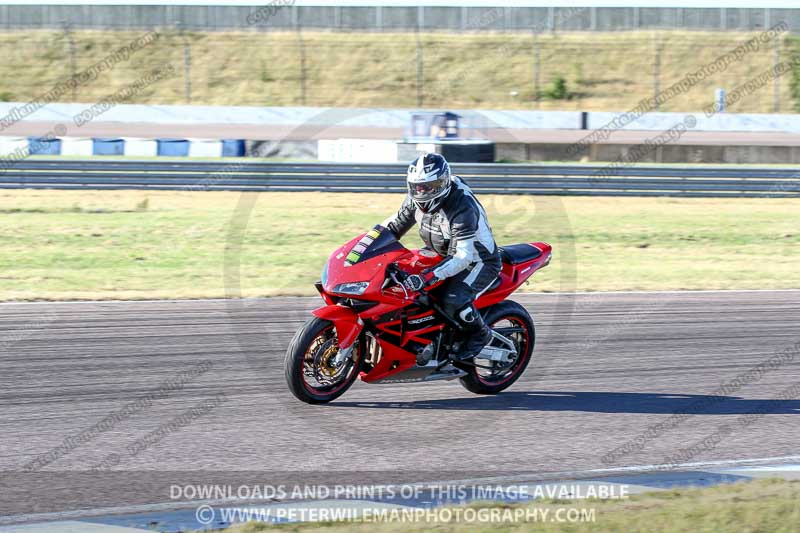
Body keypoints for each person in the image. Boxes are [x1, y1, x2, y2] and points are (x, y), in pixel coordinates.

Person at [382, 152, 502, 361]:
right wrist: (363, 245)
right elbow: (392, 227)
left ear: (443, 182)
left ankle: (479, 334)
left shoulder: (462, 206)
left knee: (452, 299)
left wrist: (428, 277)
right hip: (439, 252)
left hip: (477, 260)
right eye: (416, 186)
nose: (421, 191)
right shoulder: (415, 199)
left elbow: (462, 256)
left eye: (429, 186)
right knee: (397, 280)